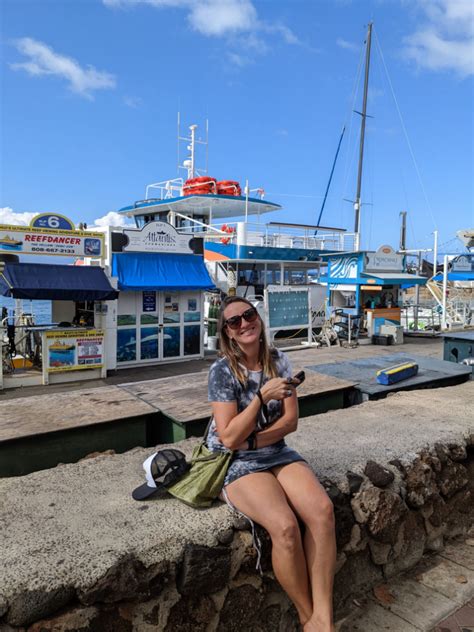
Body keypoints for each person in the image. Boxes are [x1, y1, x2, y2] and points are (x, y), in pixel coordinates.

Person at [207, 296, 336, 632]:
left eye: (249, 315)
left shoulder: (279, 361)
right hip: (236, 461)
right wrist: (263, 397)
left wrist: (251, 436)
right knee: (285, 528)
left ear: (259, 320)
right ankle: (310, 619)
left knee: (321, 512)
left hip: (275, 451)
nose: (244, 323)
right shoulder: (221, 372)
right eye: (234, 321)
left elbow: (290, 422)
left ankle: (324, 614)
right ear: (228, 333)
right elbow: (229, 439)